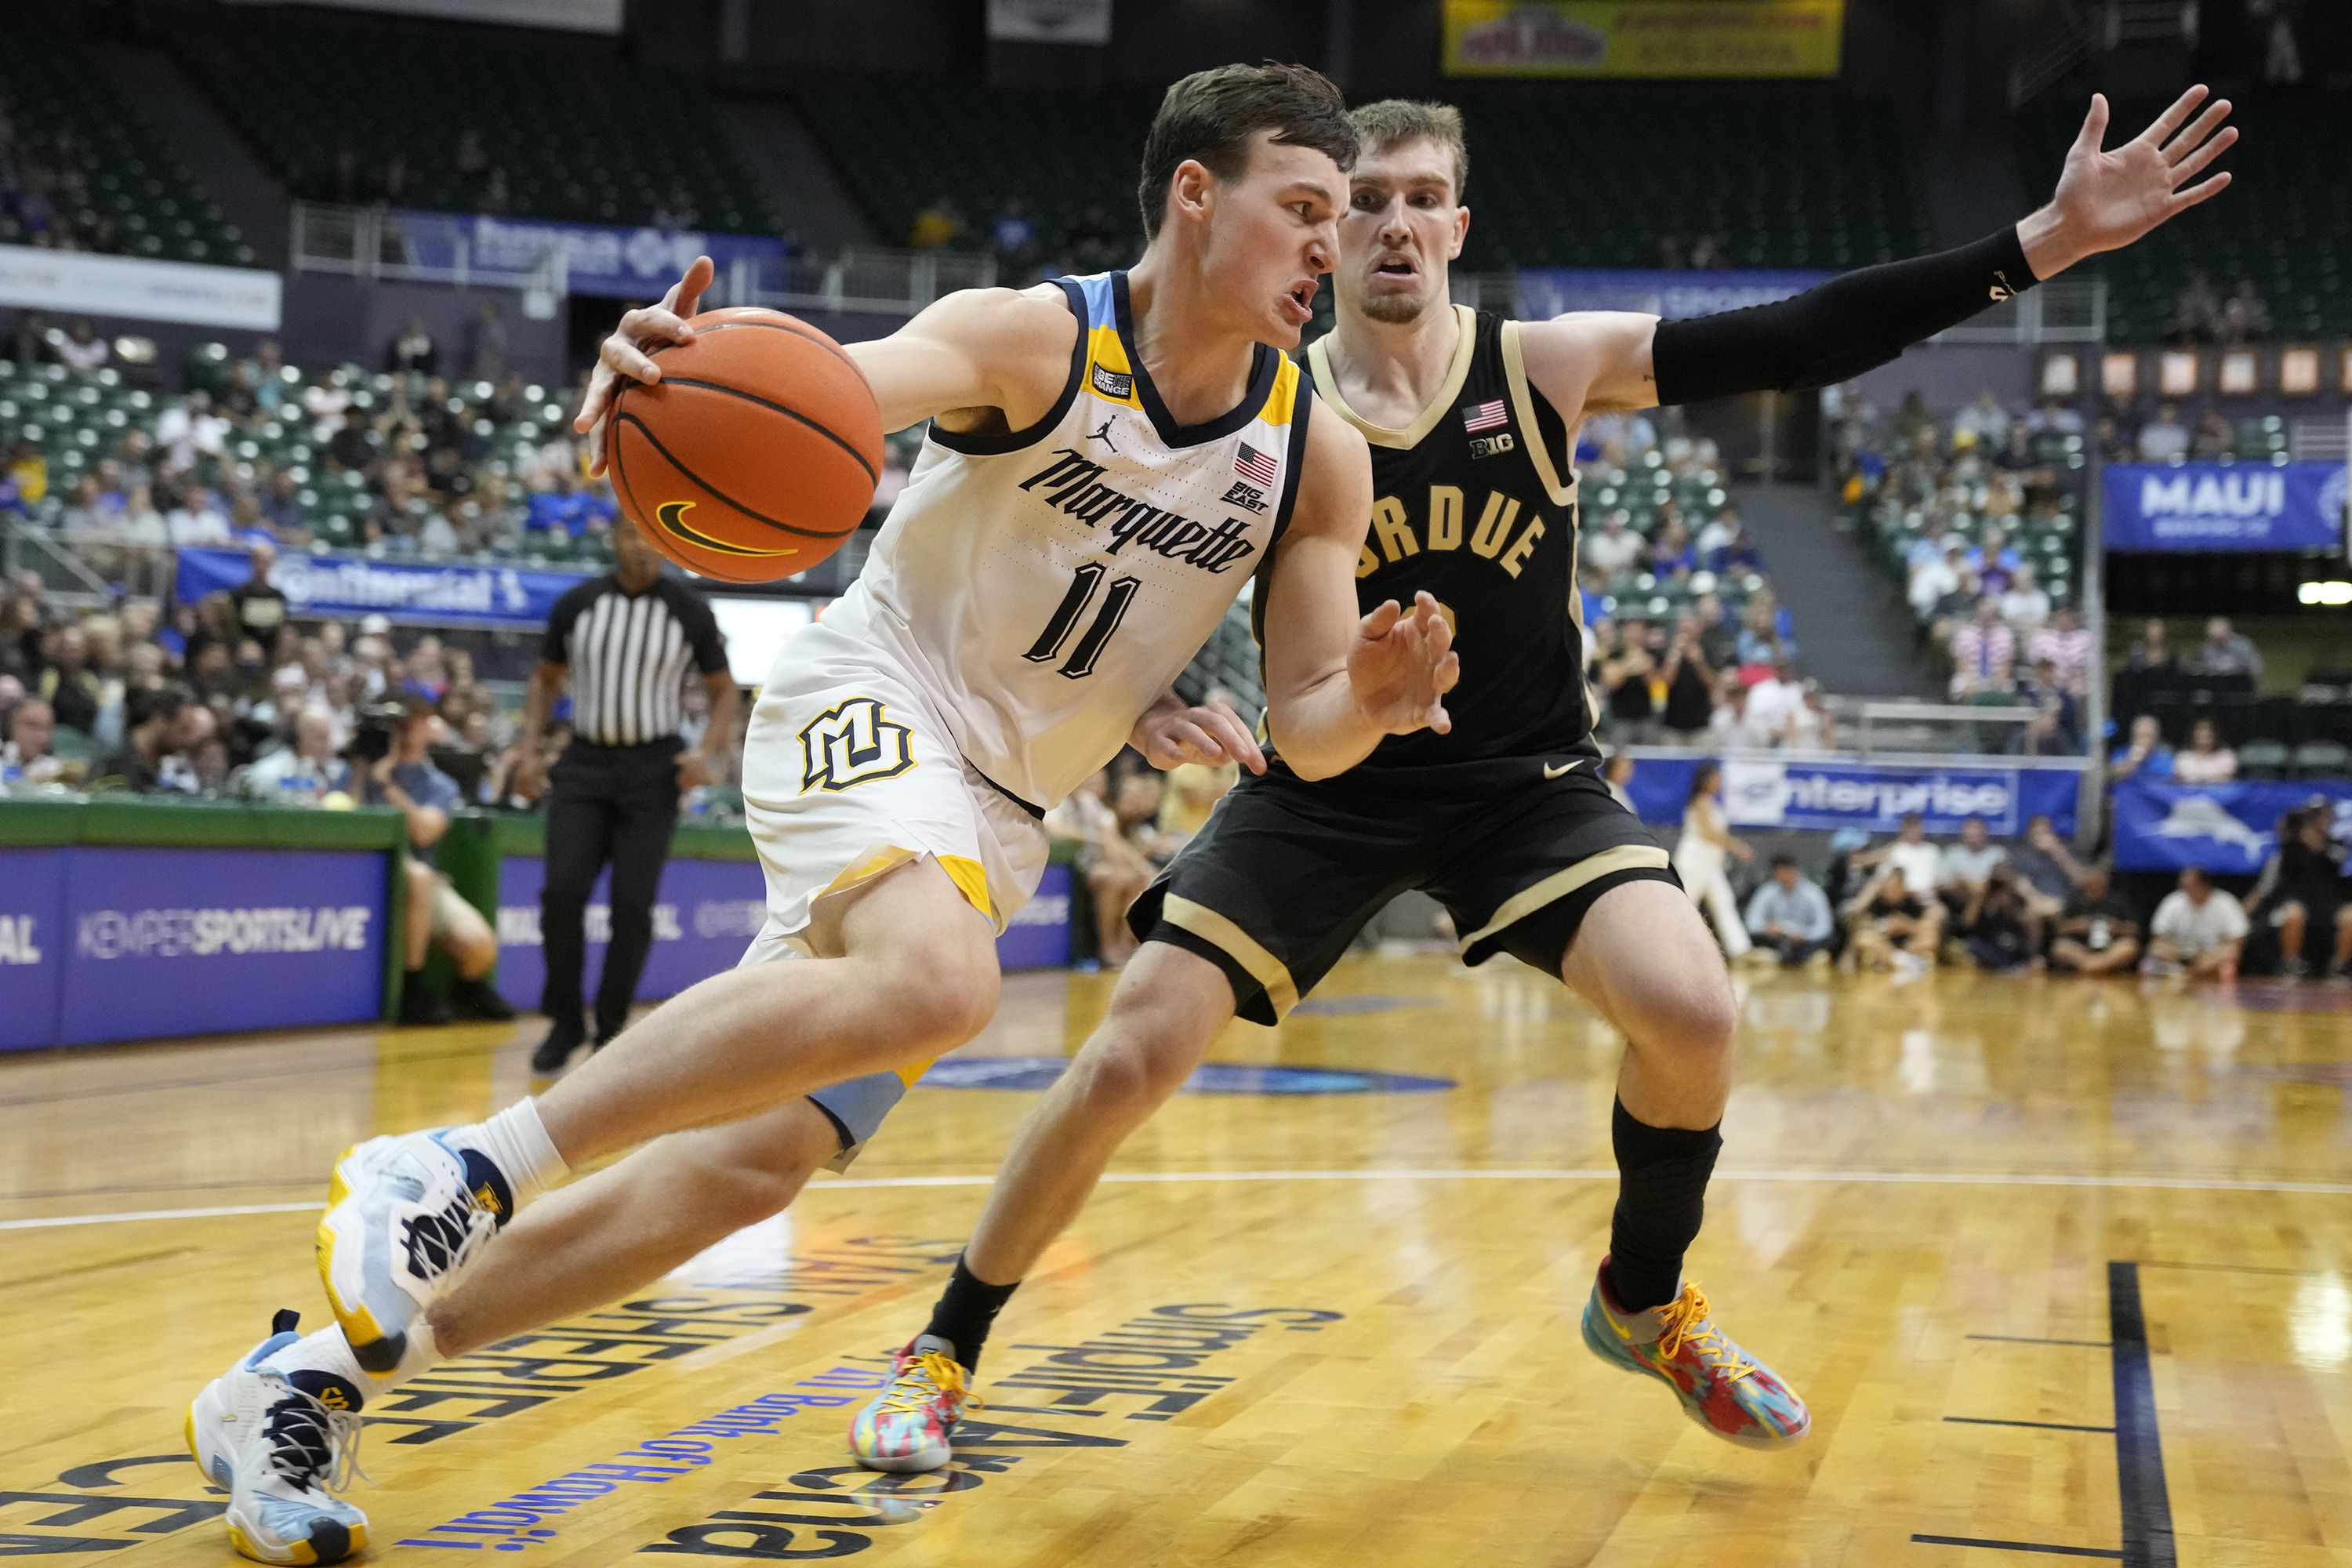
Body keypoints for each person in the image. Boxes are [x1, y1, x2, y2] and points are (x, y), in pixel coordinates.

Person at [192, 64, 1463, 1566]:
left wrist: (1369, 702)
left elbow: (1307, 730)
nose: (1330, 244)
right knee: (941, 979)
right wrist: (663, 367)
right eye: (1303, 207)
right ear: (1198, 195)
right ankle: (460, 1172)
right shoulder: (1034, 337)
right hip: (872, 698)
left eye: (1344, 216)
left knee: (750, 1167)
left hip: (996, 818)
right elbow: (821, 391)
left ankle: (307, 1378)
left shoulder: (1317, 450)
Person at [852, 79, 2227, 1466]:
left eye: (1418, 199)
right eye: (1362, 201)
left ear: (1460, 221)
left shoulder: (1545, 368)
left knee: (1693, 1007)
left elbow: (1791, 338)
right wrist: (1143, 693)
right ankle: (946, 1345)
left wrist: (2038, 242)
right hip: (1327, 779)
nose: (1392, 226)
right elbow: (1109, 556)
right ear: (1323, 237)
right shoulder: (1269, 409)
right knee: (1129, 1053)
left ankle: (1643, 1301)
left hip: (1523, 781)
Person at [509, 519, 740, 1072]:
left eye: (651, 539)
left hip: (652, 768)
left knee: (632, 907)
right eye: (631, 537)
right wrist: (530, 747)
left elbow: (724, 689)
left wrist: (706, 751)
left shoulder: (688, 610)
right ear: (614, 541)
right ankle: (566, 1020)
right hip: (584, 762)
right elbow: (545, 679)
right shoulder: (578, 604)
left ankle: (611, 1029)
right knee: (562, 893)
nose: (641, 548)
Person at [361, 696, 516, 1028]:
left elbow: (423, 833)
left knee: (479, 947)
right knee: (416, 877)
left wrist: (386, 784)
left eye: (412, 720)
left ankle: (465, 988)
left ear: (427, 727)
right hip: (364, 877)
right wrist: (364, 771)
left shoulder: (439, 784)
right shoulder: (358, 768)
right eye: (396, 723)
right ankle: (412, 989)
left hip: (425, 880)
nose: (403, 729)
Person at [2245, 806, 2352, 978]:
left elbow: (2339, 860)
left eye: (2325, 818)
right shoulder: (2292, 848)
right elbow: (2281, 831)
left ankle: (2339, 966)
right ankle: (2290, 963)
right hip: (2302, 901)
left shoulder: (2336, 844)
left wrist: (2319, 844)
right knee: (2293, 913)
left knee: (2350, 916)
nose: (2321, 823)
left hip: (2329, 903)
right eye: (2316, 819)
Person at [1673, 760, 1753, 959]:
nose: (1720, 781)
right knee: (1687, 903)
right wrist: (1737, 847)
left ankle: (1740, 950)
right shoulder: (1700, 801)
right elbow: (1709, 834)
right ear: (1706, 780)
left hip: (1710, 863)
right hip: (1694, 860)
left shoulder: (1711, 801)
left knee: (1724, 902)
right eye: (1716, 777)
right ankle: (1670, 945)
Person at [2144, 865, 2247, 980]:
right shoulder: (2173, 901)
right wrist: (2180, 952)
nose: (2187, 890)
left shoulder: (2226, 902)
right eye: (2184, 886)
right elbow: (2160, 934)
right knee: (2157, 947)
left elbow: (2238, 938)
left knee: (2231, 951)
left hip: (2210, 955)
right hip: (2180, 954)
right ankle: (2186, 971)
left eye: (2192, 886)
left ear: (2205, 885)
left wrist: (2209, 955)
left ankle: (2189, 973)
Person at [1845, 864, 1942, 975]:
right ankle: (1900, 962)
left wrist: (1908, 927)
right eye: (1890, 887)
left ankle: (1904, 961)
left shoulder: (1912, 903)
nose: (1892, 891)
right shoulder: (1875, 905)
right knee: (1864, 938)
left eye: (1897, 887)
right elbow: (1864, 929)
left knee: (1931, 936)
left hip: (1909, 946)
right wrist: (1887, 929)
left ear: (1903, 887)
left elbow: (1925, 927)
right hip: (1885, 947)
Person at [2049, 863, 2142, 975]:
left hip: (2110, 950)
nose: (2096, 886)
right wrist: (2075, 926)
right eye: (2093, 883)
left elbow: (2135, 929)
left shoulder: (2118, 902)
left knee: (2129, 946)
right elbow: (2059, 928)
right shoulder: (2075, 902)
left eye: (2099, 882)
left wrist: (2117, 928)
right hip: (2081, 950)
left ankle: (2092, 967)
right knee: (2060, 947)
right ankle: (2097, 967)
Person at [1743, 855, 1834, 968]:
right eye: (1780, 873)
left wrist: (1805, 936)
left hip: (1806, 941)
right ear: (1774, 874)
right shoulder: (1766, 892)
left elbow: (1824, 927)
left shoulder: (1813, 893)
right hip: (1777, 940)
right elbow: (1752, 923)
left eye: (1787, 872)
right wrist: (1766, 928)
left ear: (1795, 871)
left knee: (1822, 944)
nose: (1784, 877)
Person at [2190, 615, 2262, 680]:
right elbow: (2195, 668)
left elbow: (2256, 667)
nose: (2218, 642)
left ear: (2229, 632)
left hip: (2238, 684)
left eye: (2221, 639)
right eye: (2215, 639)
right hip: (2213, 684)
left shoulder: (2243, 645)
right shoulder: (2204, 648)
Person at [2109, 713, 2175, 782]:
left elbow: (2169, 781)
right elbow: (2112, 776)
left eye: (2149, 736)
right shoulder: (2121, 753)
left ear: (2156, 737)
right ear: (2133, 735)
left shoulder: (2163, 756)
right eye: (2141, 735)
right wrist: (2132, 760)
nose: (2145, 740)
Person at [2172, 716, 2237, 783]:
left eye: (2208, 735)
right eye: (2200, 734)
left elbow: (2228, 781)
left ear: (2215, 735)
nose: (2204, 738)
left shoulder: (2226, 756)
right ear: (2193, 735)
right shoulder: (2183, 757)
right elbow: (2179, 783)